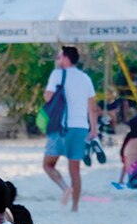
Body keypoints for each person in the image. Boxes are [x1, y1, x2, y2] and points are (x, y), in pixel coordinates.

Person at [42, 46, 98, 212]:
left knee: (48, 164)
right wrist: (93, 129)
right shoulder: (85, 78)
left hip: (61, 126)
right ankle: (75, 206)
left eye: (59, 56)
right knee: (75, 169)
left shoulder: (57, 74)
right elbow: (92, 108)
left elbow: (48, 97)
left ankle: (64, 187)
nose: (58, 59)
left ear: (66, 58)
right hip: (81, 128)